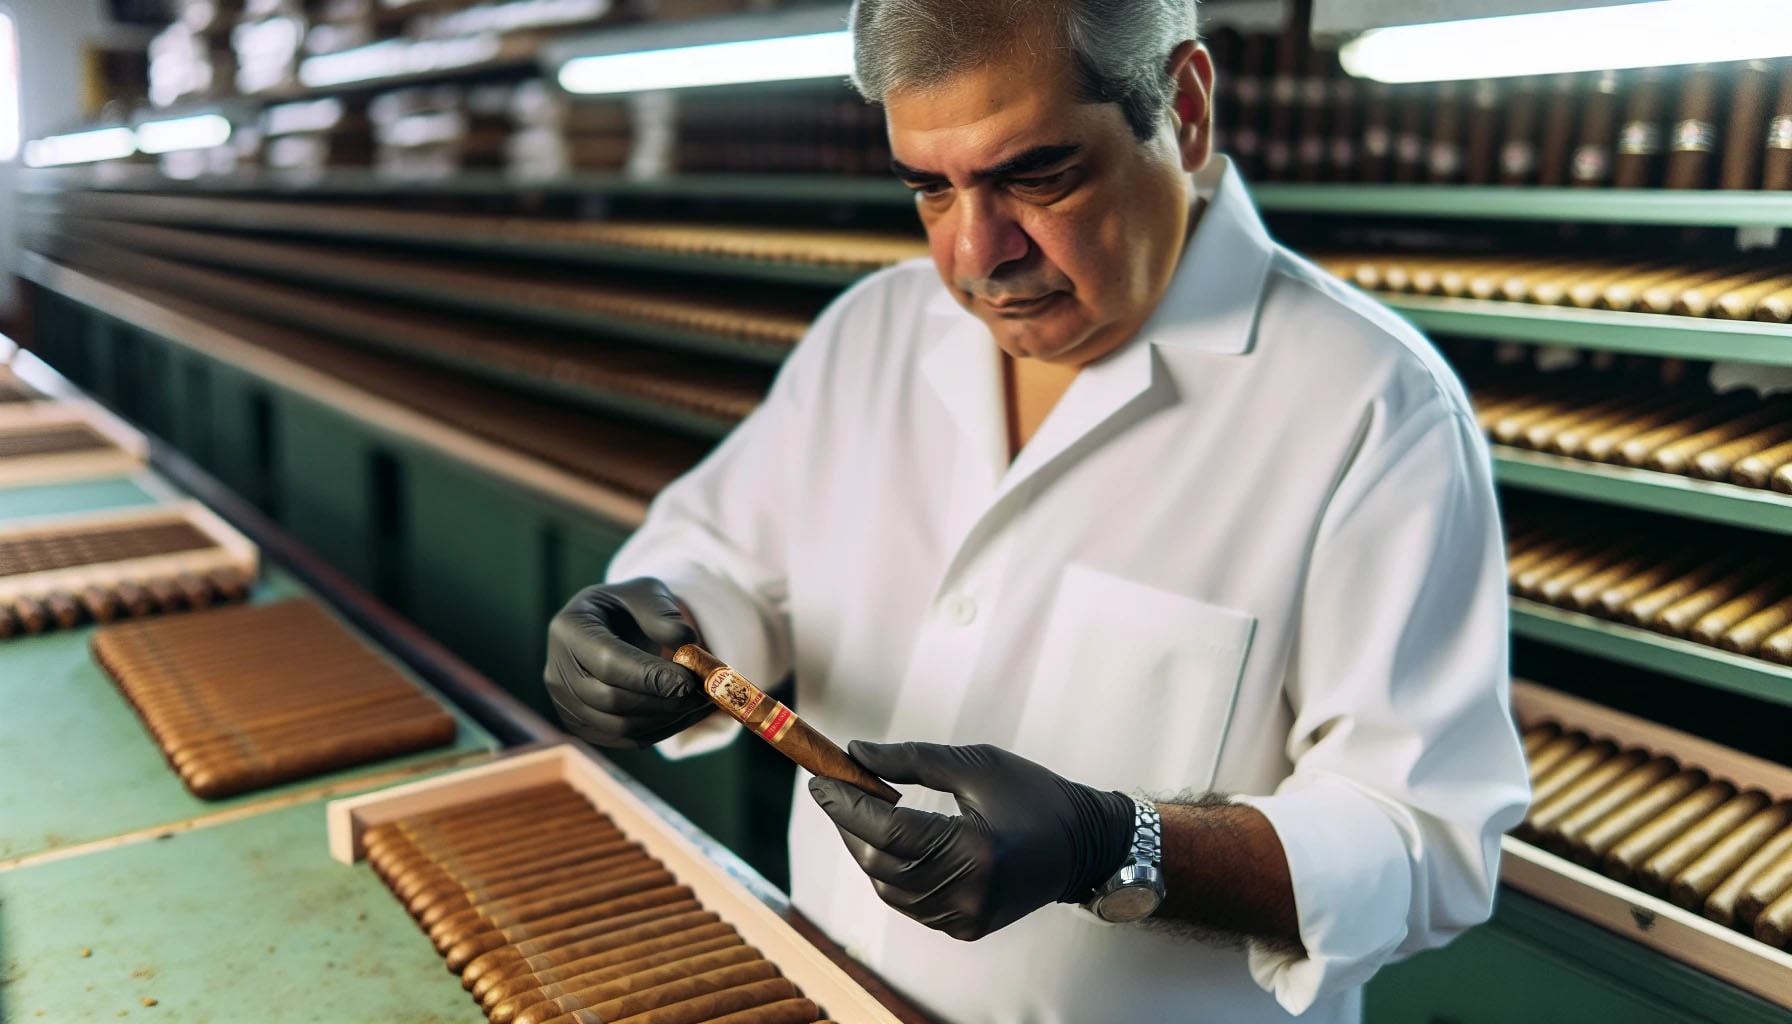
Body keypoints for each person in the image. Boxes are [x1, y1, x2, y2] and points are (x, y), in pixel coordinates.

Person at [543, 1, 1531, 1020]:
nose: (975, 255)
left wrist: (1119, 845)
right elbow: (731, 564)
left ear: (1183, 109)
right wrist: (658, 619)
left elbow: (1426, 844)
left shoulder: (1368, 404)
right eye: (929, 187)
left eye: (1034, 173)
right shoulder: (873, 334)